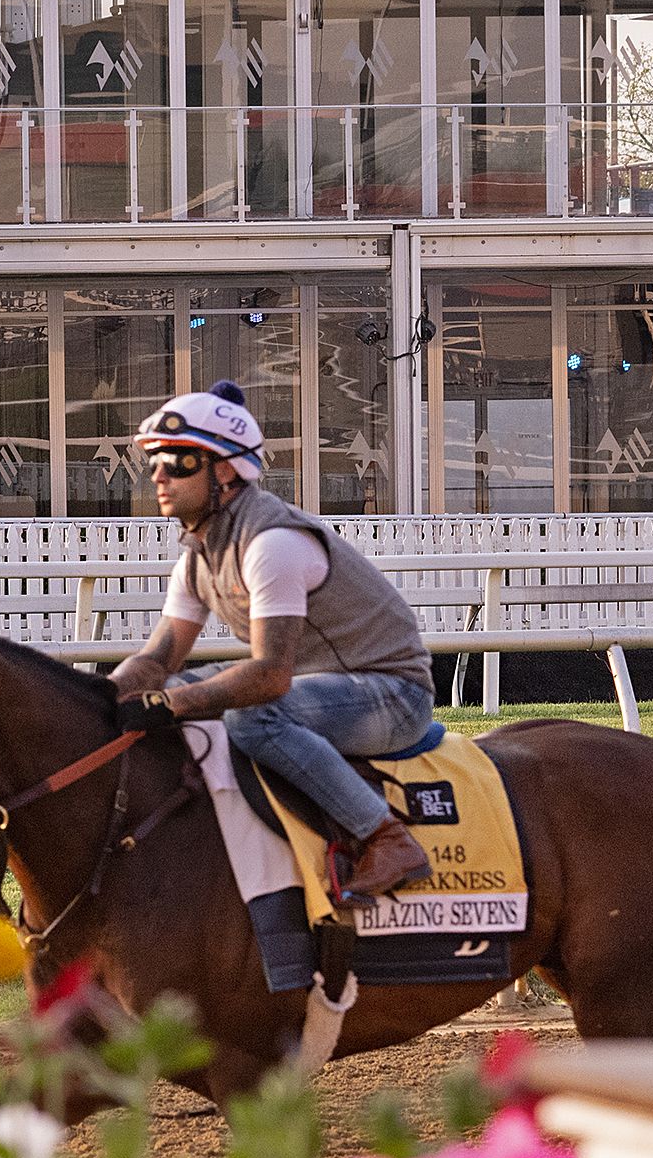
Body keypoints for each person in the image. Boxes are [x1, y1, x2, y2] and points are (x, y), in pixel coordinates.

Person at [109, 380, 435, 902]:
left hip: (392, 695)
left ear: (227, 470)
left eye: (178, 460)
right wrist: (104, 698)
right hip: (321, 689)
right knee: (172, 688)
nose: (160, 475)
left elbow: (269, 675)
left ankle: (386, 838)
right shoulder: (199, 552)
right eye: (155, 463)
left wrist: (172, 702)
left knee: (251, 715)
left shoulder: (272, 544)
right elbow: (160, 656)